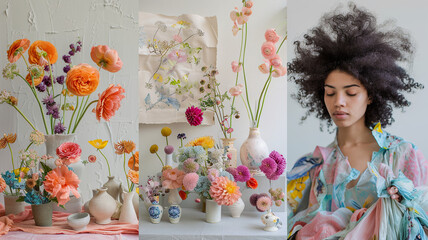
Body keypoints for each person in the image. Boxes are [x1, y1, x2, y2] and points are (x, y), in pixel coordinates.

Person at [286, 3, 428, 239]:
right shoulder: (316, 164)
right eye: (330, 93)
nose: (339, 101)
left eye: (351, 93)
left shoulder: (404, 154)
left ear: (371, 95)